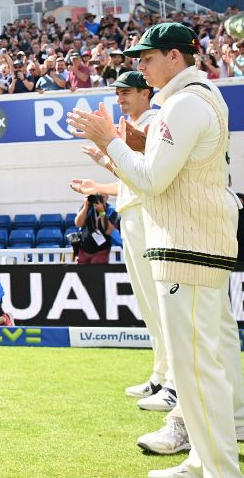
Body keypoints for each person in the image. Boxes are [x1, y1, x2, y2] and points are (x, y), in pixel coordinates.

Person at [69, 23, 244, 478]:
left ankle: (219, 470)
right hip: (191, 242)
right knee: (196, 364)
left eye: (148, 58)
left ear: (175, 57)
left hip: (188, 246)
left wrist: (107, 139)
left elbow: (152, 180)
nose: (141, 68)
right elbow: (161, 169)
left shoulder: (185, 103)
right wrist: (120, 148)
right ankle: (203, 460)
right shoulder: (191, 99)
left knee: (195, 366)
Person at [70, 70, 173, 411]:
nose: (120, 98)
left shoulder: (155, 122)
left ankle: (174, 382)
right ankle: (161, 375)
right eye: (118, 92)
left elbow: (148, 175)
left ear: (146, 92)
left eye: (127, 91)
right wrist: (98, 185)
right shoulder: (139, 124)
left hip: (147, 215)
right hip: (131, 212)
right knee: (148, 304)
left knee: (160, 303)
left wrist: (107, 152)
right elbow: (130, 176)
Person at [73, 194, 118, 264]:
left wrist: (102, 212)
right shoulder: (87, 206)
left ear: (107, 197)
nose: (98, 199)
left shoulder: (111, 210)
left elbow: (108, 231)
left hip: (101, 251)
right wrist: (86, 206)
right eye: (97, 196)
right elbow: (78, 224)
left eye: (101, 197)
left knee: (96, 273)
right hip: (84, 249)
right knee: (82, 273)